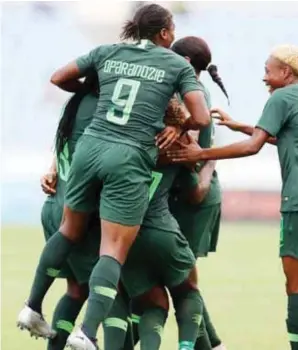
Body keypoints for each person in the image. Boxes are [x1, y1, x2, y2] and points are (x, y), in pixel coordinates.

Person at [17, 3, 210, 350]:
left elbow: (58, 77)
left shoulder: (108, 51)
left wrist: (96, 86)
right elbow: (202, 117)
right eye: (173, 31)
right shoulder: (175, 64)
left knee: (69, 232)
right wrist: (179, 121)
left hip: (89, 149)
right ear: (164, 33)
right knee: (114, 251)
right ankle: (87, 333)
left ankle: (31, 306)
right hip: (127, 156)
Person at [168, 44, 298, 350]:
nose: (264, 78)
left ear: (285, 72)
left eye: (268, 71)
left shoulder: (282, 97)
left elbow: (253, 147)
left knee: (296, 288)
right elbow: (290, 136)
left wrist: (201, 152)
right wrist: (240, 125)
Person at [104, 98, 210, 350]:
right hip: (161, 229)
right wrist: (208, 164)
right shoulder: (177, 144)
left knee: (153, 303)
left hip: (123, 237)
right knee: (188, 291)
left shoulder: (119, 138)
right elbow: (196, 193)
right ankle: (186, 347)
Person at [17, 72, 100, 345]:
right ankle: (90, 336)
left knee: (76, 291)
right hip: (77, 213)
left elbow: (65, 145)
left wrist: (52, 169)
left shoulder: (75, 103)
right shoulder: (103, 109)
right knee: (115, 289)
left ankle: (44, 325)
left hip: (54, 205)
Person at [170, 36, 230, 350]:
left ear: (187, 63)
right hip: (192, 189)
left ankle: (209, 345)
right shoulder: (189, 89)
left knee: (181, 279)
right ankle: (212, 345)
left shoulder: (191, 91)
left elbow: (190, 141)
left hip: (196, 195)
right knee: (179, 278)